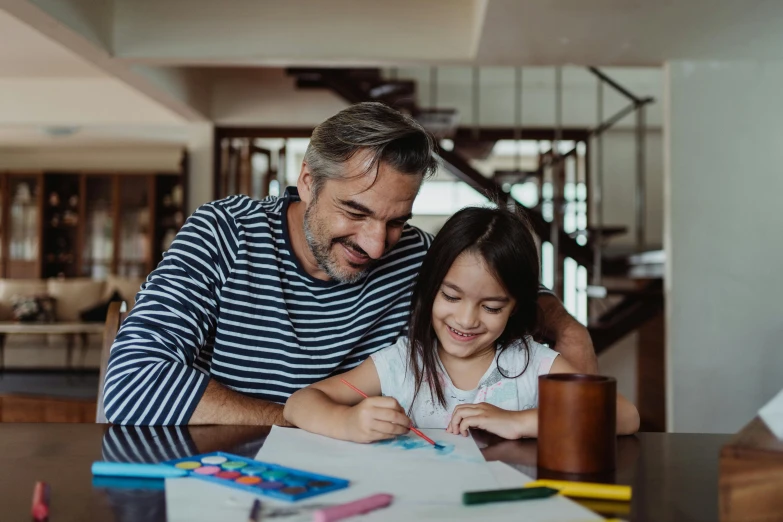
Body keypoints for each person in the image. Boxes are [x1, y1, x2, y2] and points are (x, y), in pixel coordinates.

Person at [102, 102, 597, 426]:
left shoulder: (415, 255)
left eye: (396, 221)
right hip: (230, 471)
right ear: (308, 182)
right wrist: (311, 421)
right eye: (355, 212)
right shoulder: (223, 233)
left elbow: (495, 287)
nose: (377, 245)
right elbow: (130, 382)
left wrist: (565, 325)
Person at [284, 207, 639, 441]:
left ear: (516, 307)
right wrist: (348, 422)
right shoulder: (401, 362)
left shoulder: (532, 363)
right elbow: (299, 402)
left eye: (492, 306)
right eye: (451, 297)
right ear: (428, 290)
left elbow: (625, 416)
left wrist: (523, 421)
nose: (467, 320)